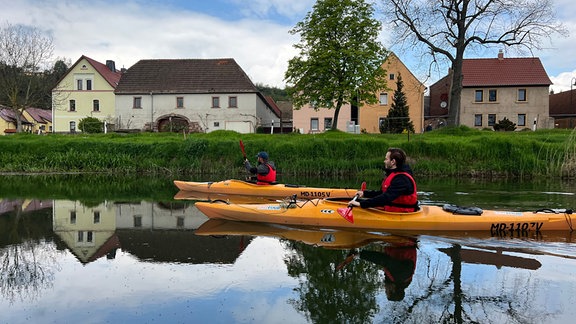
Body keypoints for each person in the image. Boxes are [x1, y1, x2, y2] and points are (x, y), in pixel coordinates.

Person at [348, 147, 418, 212]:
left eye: (386, 159)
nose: (384, 161)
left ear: (393, 161)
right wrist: (365, 193)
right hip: (391, 209)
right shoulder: (396, 175)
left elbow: (386, 197)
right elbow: (384, 193)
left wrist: (361, 204)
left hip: (402, 213)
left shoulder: (402, 179)